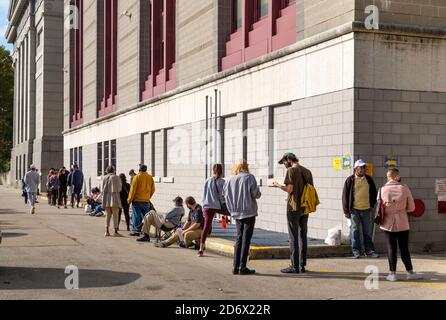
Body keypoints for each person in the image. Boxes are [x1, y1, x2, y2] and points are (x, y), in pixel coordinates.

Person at [273, 152, 314, 274]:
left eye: (284, 162)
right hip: (304, 207)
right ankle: (302, 265)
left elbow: (289, 189)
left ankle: (294, 266)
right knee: (303, 236)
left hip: (293, 207)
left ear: (288, 160)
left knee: (293, 237)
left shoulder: (291, 171)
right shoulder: (307, 171)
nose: (284, 164)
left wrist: (278, 185)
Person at [380, 168, 422, 282]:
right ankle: (410, 272)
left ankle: (392, 274)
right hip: (402, 221)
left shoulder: (382, 189)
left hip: (387, 223)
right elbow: (412, 207)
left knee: (391, 248)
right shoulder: (404, 188)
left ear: (388, 177)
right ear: (397, 177)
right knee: (404, 248)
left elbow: (379, 205)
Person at [223, 160, 261, 275]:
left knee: (239, 238)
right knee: (246, 239)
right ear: (246, 167)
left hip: (236, 212)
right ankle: (242, 267)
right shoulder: (249, 178)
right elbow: (256, 194)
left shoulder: (229, 180)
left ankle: (235, 266)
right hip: (248, 211)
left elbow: (225, 195)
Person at [342, 159, 379, 259]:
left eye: (364, 167)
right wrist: (346, 211)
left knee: (367, 231)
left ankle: (369, 251)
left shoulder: (369, 179)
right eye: (360, 167)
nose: (363, 169)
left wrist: (371, 205)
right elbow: (345, 196)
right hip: (354, 210)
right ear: (355, 169)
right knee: (355, 231)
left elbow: (374, 193)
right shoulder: (350, 180)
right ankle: (356, 251)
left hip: (366, 209)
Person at [199, 164, 228, 257]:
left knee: (206, 227)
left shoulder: (207, 180)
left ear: (213, 170)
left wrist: (203, 206)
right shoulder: (222, 182)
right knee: (234, 214)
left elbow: (204, 194)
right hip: (217, 206)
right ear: (221, 171)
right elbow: (224, 196)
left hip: (207, 206)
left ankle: (201, 248)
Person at [127, 164, 155, 236]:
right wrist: (148, 197)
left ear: (139, 169)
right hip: (146, 201)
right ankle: (145, 231)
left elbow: (132, 190)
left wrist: (129, 200)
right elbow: (153, 189)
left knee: (136, 215)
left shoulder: (136, 177)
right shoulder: (150, 177)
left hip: (137, 200)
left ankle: (136, 231)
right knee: (145, 217)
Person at [102, 166, 123, 237]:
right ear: (113, 170)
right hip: (114, 198)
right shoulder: (116, 177)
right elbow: (120, 188)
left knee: (107, 215)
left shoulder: (104, 177)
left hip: (106, 198)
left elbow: (102, 188)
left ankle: (106, 231)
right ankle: (115, 231)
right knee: (115, 215)